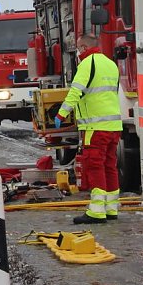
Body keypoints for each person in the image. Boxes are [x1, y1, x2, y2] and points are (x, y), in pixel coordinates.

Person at [55, 34, 122, 224]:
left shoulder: (86, 64)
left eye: (77, 48)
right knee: (110, 165)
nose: (77, 52)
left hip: (95, 126)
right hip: (114, 125)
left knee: (95, 166)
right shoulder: (110, 64)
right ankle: (111, 208)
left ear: (83, 47)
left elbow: (75, 91)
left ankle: (96, 211)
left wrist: (61, 113)